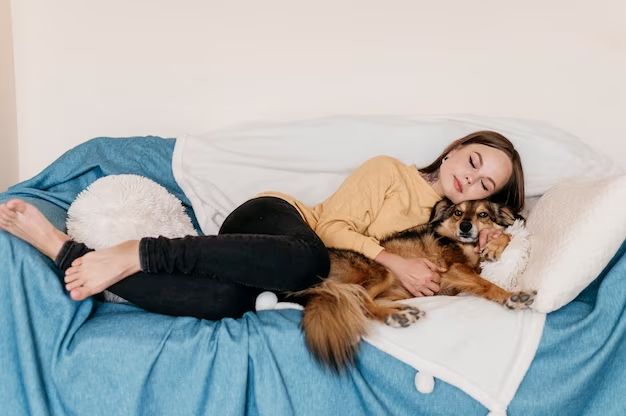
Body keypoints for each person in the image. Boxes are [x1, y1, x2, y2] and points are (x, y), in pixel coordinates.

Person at [0, 130, 524, 320]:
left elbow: (471, 257)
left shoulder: (458, 225)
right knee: (311, 256)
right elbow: (336, 227)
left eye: (486, 186)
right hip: (283, 226)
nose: (471, 182)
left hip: (291, 278)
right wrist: (394, 262)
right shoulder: (391, 172)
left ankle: (66, 250)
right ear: (456, 149)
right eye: (473, 163)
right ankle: (141, 250)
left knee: (224, 303)